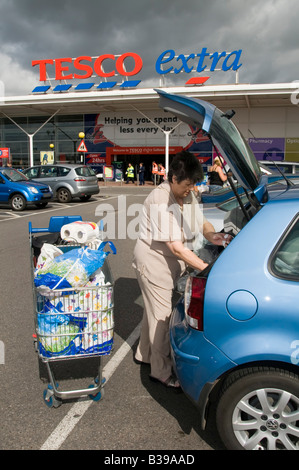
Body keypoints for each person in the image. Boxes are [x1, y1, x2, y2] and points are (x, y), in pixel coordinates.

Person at [133, 151, 232, 389]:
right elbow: (176, 248)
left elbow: (203, 222)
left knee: (153, 312)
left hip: (171, 261)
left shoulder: (186, 195)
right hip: (154, 261)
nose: (191, 189)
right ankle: (162, 372)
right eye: (187, 185)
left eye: (194, 184)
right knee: (162, 317)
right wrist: (209, 270)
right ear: (173, 178)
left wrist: (214, 236)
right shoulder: (160, 199)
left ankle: (144, 355)